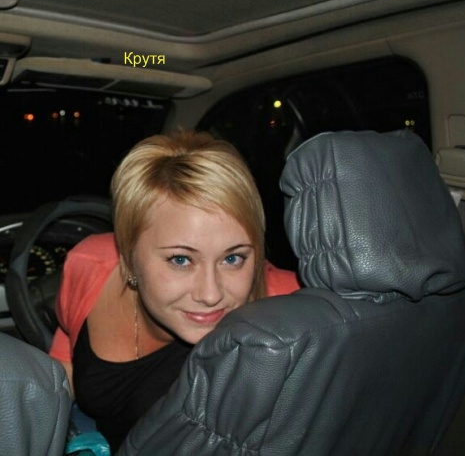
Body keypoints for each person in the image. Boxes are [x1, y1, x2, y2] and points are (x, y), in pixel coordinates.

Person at [49, 130, 300, 452]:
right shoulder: (89, 265)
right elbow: (65, 357)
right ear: (128, 255)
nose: (210, 294)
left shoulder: (292, 310)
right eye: (180, 259)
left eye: (233, 258)